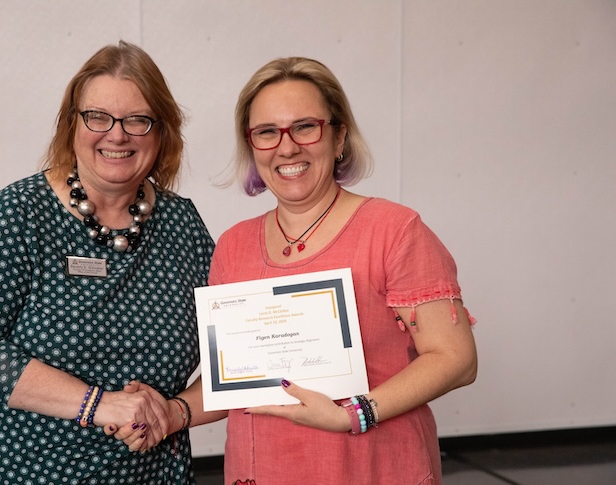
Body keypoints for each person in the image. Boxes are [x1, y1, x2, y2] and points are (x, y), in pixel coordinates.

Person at [116, 56, 478, 484]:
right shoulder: (234, 245)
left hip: (374, 469)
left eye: (305, 127)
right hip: (259, 470)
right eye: (267, 133)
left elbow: (456, 359)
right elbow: (238, 381)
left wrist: (355, 414)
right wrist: (172, 413)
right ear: (252, 147)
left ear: (339, 136)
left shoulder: (394, 231)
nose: (287, 148)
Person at [0, 40, 214, 484]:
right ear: (71, 125)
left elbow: (239, 355)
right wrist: (98, 404)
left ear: (163, 132)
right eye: (97, 117)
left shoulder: (182, 224)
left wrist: (176, 413)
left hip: (146, 473)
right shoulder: (20, 212)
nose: (117, 135)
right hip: (11, 470)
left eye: (138, 120)